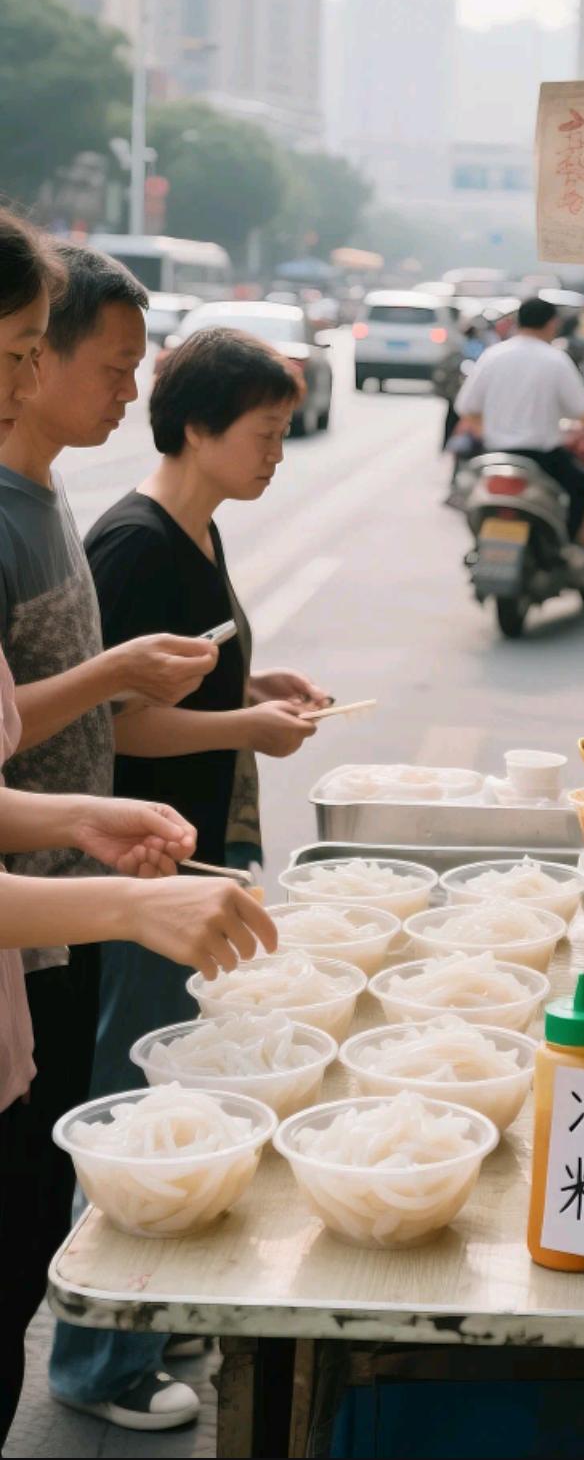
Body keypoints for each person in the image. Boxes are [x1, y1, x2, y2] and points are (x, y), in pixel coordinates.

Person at [0, 205, 277, 1448]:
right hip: (51, 909)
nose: (119, 388)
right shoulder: (118, 529)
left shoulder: (50, 501)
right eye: (21, 355)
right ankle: (102, 1353)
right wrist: (123, 698)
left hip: (49, 914)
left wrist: (86, 812)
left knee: (57, 1168)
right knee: (94, 1143)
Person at [49, 326, 326, 1428]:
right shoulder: (135, 542)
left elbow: (199, 684)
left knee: (180, 1087)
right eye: (265, 434)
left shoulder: (196, 529)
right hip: (135, 869)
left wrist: (264, 687)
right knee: (131, 1112)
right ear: (200, 428)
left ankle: (154, 1314)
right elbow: (111, 728)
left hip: (192, 855)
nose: (276, 455)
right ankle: (95, 1364)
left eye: (285, 436)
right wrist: (246, 721)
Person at [454, 297, 584, 572]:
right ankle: (575, 549)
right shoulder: (554, 359)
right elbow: (582, 411)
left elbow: (466, 407)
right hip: (543, 458)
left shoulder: (493, 355)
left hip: (494, 456)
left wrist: (490, 432)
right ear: (552, 323)